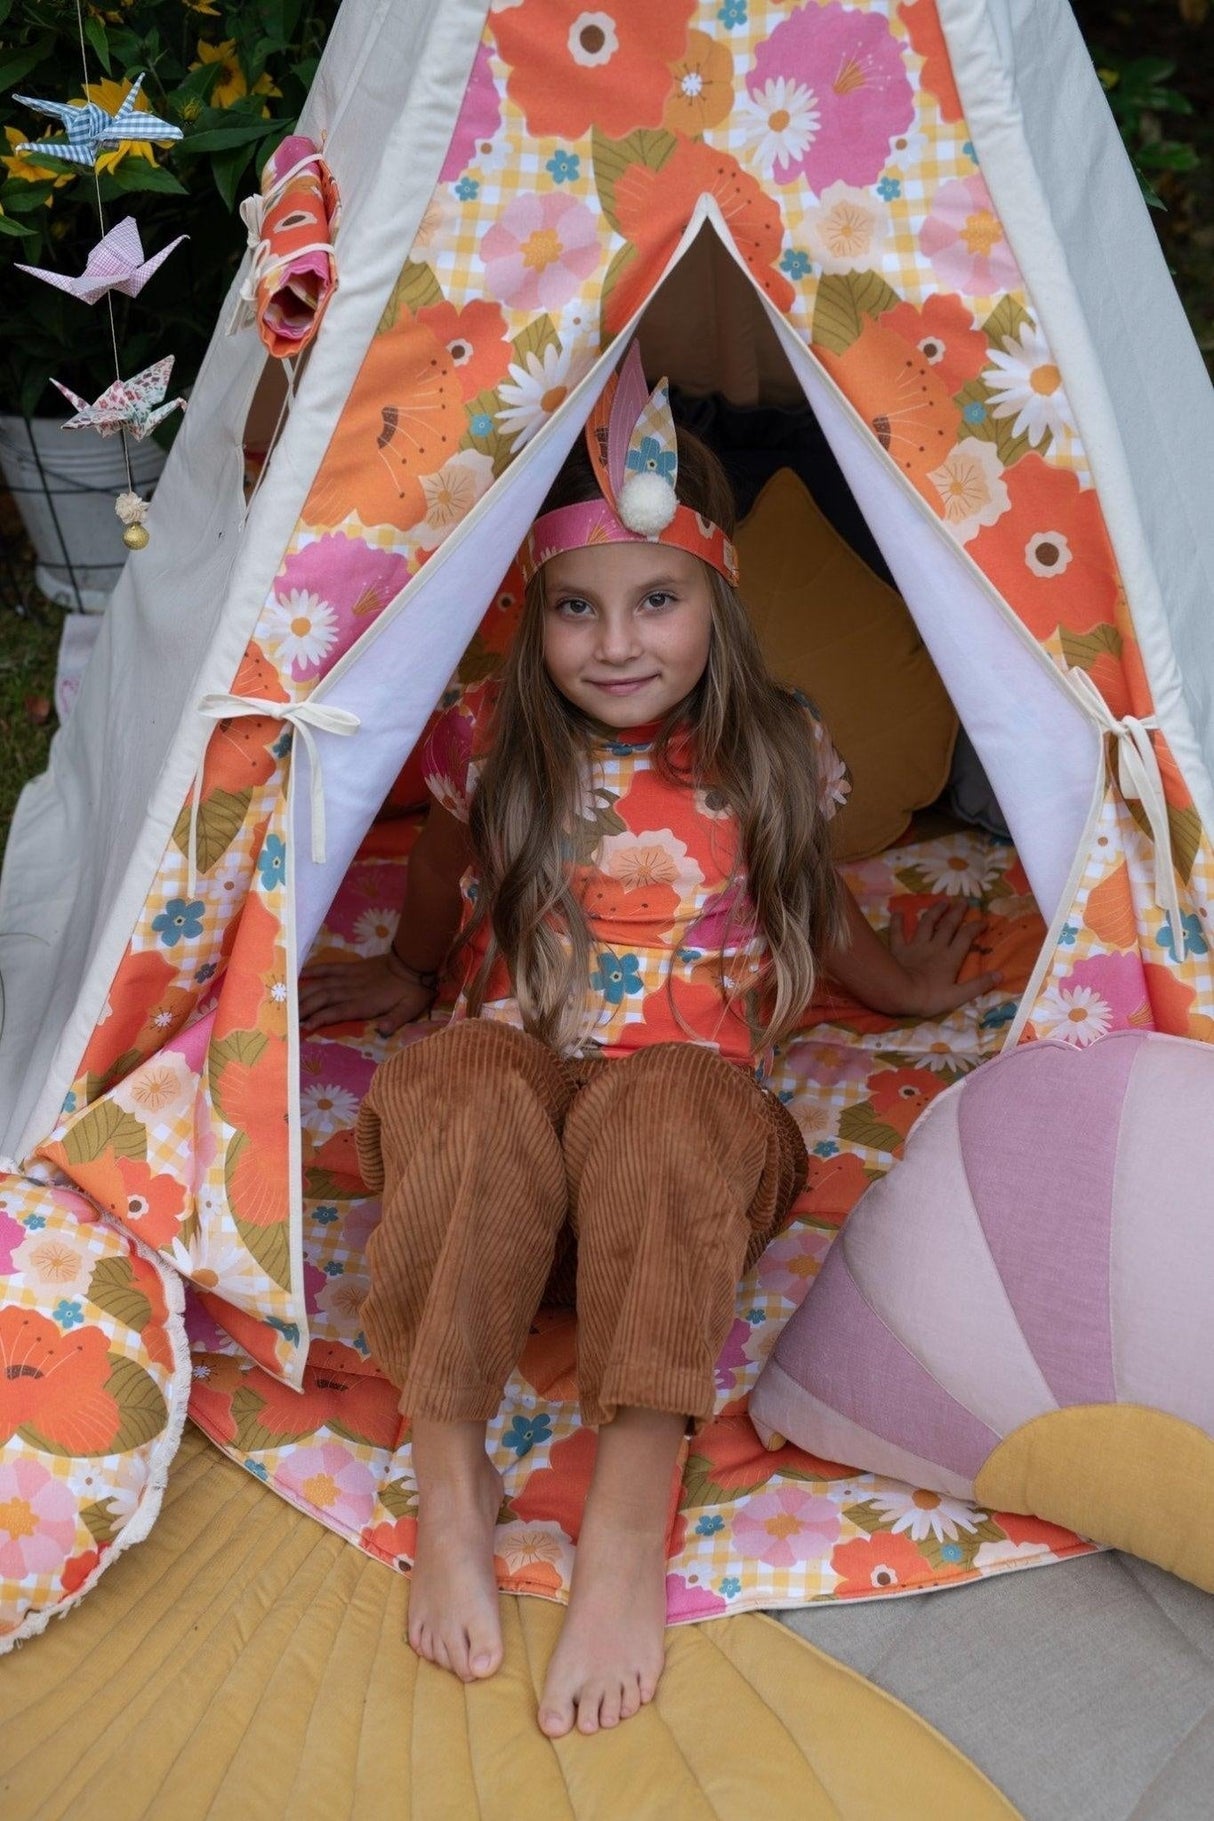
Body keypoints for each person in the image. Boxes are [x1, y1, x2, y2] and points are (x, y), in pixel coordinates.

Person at [298, 346, 998, 1738]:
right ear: (531, 615)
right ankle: (452, 1482)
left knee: (673, 1099)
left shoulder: (772, 751)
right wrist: (409, 963)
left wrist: (899, 992)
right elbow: (441, 857)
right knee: (459, 1073)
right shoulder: (493, 740)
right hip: (497, 1171)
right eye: (576, 609)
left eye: (655, 599)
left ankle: (627, 1506)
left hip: (669, 1175)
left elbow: (807, 900)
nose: (617, 642)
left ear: (715, 597)